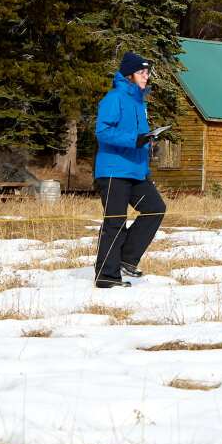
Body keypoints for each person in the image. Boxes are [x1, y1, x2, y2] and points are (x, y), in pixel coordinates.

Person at [92, 52, 165, 288]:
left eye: (148, 72)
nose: (147, 76)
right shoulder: (114, 98)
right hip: (113, 170)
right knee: (115, 221)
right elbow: (102, 131)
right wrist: (135, 139)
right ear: (129, 75)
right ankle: (106, 275)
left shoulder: (138, 102)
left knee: (154, 208)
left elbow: (137, 138)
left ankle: (126, 258)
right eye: (142, 72)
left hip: (135, 171)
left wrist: (146, 143)